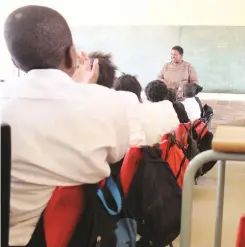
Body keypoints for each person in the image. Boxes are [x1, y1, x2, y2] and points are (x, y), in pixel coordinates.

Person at [1, 5, 145, 246]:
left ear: (15, 62)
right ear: (71, 55)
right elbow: (117, 156)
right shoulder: (108, 103)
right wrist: (84, 87)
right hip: (74, 235)